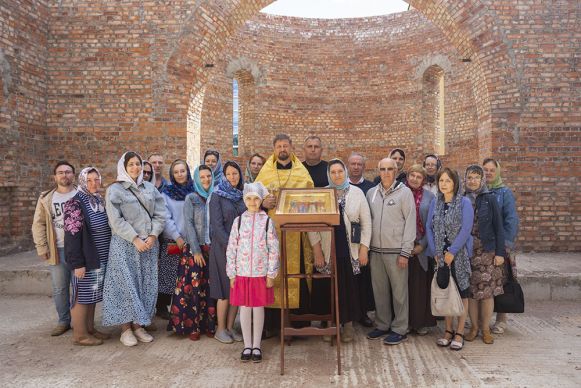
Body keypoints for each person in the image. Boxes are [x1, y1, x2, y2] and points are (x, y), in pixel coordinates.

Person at [102, 151, 166, 347]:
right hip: (125, 245)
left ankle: (139, 325)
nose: (135, 168)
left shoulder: (150, 188)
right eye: (131, 164)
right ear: (124, 166)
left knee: (145, 284)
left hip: (148, 245)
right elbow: (115, 219)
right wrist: (134, 238)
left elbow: (160, 214)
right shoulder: (115, 190)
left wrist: (153, 235)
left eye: (138, 164)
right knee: (126, 285)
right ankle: (125, 329)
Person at [255, 134, 314, 335]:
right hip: (271, 232)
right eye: (279, 146)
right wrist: (263, 203)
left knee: (294, 273)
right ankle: (271, 326)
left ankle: (296, 324)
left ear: (291, 148)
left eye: (286, 146)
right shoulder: (265, 173)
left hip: (295, 233)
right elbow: (253, 200)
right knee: (271, 273)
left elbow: (311, 197)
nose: (282, 149)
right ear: (274, 149)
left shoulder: (302, 173)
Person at [308, 159, 371, 342]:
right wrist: (317, 250)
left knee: (348, 288)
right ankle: (330, 324)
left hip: (349, 250)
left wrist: (364, 249)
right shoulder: (322, 194)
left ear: (345, 172)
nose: (337, 175)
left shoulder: (357, 193)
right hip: (328, 249)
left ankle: (348, 325)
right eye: (333, 172)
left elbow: (366, 223)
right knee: (327, 288)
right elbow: (313, 225)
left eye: (340, 171)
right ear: (329, 174)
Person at [226, 182, 280, 362]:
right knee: (244, 308)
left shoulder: (267, 222)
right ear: (244, 200)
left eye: (256, 199)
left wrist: (271, 274)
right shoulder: (239, 221)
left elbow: (274, 249)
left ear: (261, 200)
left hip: (260, 274)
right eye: (248, 198)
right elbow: (231, 248)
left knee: (257, 308)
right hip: (241, 273)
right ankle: (246, 345)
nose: (252, 202)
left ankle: (256, 345)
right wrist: (231, 274)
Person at [366, 158, 416, 345]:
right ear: (378, 171)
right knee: (379, 292)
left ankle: (400, 328)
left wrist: (405, 252)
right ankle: (382, 325)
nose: (386, 172)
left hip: (397, 252)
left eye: (389, 169)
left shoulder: (405, 193)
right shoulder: (371, 193)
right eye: (382, 169)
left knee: (399, 292)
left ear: (396, 171)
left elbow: (410, 222)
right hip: (376, 251)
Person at [426, 167, 474, 351]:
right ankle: (448, 330)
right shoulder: (435, 202)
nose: (443, 184)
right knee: (445, 290)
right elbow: (430, 228)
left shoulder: (464, 202)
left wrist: (452, 251)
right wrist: (435, 251)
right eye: (441, 181)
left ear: (455, 182)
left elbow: (466, 229)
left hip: (458, 255)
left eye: (447, 180)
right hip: (440, 256)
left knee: (462, 292)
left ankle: (459, 332)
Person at [63, 167, 111, 346]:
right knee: (81, 296)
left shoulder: (98, 199)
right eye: (89, 180)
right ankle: (80, 334)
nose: (93, 183)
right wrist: (77, 264)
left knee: (92, 295)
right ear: (82, 181)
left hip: (100, 258)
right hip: (85, 260)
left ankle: (90, 329)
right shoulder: (74, 203)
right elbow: (72, 236)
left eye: (96, 179)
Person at [169, 165, 217, 340]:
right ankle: (193, 326)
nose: (206, 180)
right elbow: (189, 225)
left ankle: (209, 325)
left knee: (209, 288)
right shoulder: (192, 198)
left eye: (208, 176)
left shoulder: (215, 196)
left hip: (211, 248)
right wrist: (196, 251)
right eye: (202, 177)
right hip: (194, 249)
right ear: (197, 179)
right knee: (193, 288)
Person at [32, 161, 77, 336]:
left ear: (73, 175)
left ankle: (81, 322)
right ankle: (64, 321)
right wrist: (42, 246)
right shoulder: (46, 198)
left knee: (81, 287)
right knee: (60, 288)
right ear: (55, 176)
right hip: (57, 249)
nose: (64, 175)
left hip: (79, 250)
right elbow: (38, 224)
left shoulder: (81, 194)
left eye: (68, 172)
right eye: (60, 172)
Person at [463, 165, 506, 344]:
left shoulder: (490, 198)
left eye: (476, 177)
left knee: (487, 293)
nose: (472, 181)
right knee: (472, 293)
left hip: (487, 251)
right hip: (467, 252)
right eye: (469, 177)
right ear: (465, 179)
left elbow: (499, 226)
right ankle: (474, 327)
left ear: (482, 180)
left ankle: (486, 328)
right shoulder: (462, 198)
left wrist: (500, 252)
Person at [209, 161, 246, 343]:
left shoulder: (241, 195)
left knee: (236, 290)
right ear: (223, 176)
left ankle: (230, 328)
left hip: (241, 249)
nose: (233, 177)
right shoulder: (217, 196)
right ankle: (220, 328)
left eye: (236, 173)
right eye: (229, 174)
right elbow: (217, 226)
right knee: (224, 289)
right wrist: (231, 247)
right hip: (223, 248)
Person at [482, 157, 520, 334]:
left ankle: (502, 318)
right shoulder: (480, 190)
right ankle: (483, 320)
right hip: (483, 247)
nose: (488, 172)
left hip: (501, 246)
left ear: (497, 172)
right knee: (487, 282)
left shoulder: (504, 192)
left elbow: (511, 220)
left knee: (502, 281)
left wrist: (504, 246)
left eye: (492, 169)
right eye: (485, 169)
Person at [157, 159, 196, 320]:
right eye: (176, 172)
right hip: (174, 241)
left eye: (183, 171)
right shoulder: (166, 193)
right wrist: (177, 237)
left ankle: (186, 310)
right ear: (172, 175)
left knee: (188, 278)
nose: (180, 174)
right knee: (169, 278)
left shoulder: (195, 191)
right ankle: (162, 308)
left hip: (193, 242)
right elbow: (165, 218)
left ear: (187, 172)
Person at [405, 164, 436, 335]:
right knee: (405, 286)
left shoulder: (430, 197)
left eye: (418, 176)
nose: (415, 179)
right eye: (412, 175)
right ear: (407, 176)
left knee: (420, 286)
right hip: (403, 246)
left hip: (422, 247)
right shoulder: (401, 193)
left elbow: (432, 224)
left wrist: (421, 245)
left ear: (423, 180)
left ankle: (421, 322)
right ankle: (406, 322)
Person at [347, 151, 375, 326]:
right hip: (346, 241)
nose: (356, 167)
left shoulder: (371, 188)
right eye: (353, 164)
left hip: (363, 240)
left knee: (363, 278)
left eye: (359, 164)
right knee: (348, 279)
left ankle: (363, 313)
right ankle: (349, 313)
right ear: (347, 166)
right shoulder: (340, 187)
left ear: (364, 167)